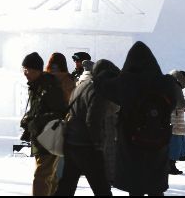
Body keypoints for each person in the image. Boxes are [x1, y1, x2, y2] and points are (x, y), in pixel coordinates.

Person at [95, 41, 182, 196]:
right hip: (158, 142)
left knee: (136, 188)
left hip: (132, 143)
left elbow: (102, 85)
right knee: (156, 187)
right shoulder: (166, 83)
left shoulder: (126, 82)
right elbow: (175, 101)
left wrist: (109, 73)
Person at [54, 55, 112, 196]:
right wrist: (98, 144)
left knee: (66, 185)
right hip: (86, 145)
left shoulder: (82, 85)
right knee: (102, 188)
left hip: (71, 142)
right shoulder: (98, 90)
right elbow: (93, 120)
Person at [20, 52, 67, 196]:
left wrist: (36, 121)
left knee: (41, 177)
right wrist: (28, 119)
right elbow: (38, 109)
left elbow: (60, 112)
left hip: (49, 138)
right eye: (23, 70)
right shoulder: (36, 85)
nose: (25, 73)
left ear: (37, 70)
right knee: (48, 177)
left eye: (27, 70)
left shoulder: (49, 86)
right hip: (40, 137)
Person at [91, 60, 121, 186]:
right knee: (111, 147)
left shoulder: (98, 82)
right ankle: (111, 176)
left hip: (105, 118)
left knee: (107, 148)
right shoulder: (116, 80)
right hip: (112, 118)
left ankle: (108, 176)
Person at [168, 70, 185, 175]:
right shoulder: (176, 86)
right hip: (175, 118)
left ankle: (170, 165)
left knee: (174, 142)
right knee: (175, 143)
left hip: (170, 117)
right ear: (182, 79)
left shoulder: (169, 84)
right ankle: (171, 166)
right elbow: (180, 104)